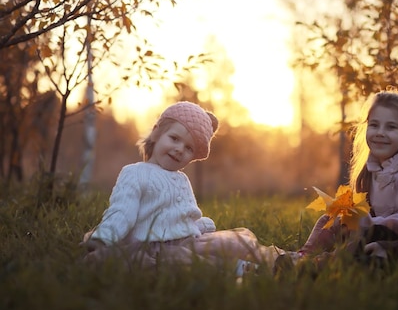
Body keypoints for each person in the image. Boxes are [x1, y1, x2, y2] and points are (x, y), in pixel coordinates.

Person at [81, 101, 282, 271]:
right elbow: (122, 211)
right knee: (195, 263)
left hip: (187, 241)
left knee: (236, 241)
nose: (179, 149)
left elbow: (180, 215)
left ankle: (281, 259)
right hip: (153, 247)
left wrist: (199, 225)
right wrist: (104, 237)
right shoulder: (135, 173)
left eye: (188, 148)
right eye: (174, 139)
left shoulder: (182, 179)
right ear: (156, 133)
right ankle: (247, 270)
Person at [280, 90, 398, 271]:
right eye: (374, 125)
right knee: (330, 220)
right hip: (376, 232)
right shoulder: (373, 168)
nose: (380, 133)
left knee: (356, 246)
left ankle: (317, 265)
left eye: (391, 127)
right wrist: (353, 217)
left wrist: (370, 224)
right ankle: (304, 255)